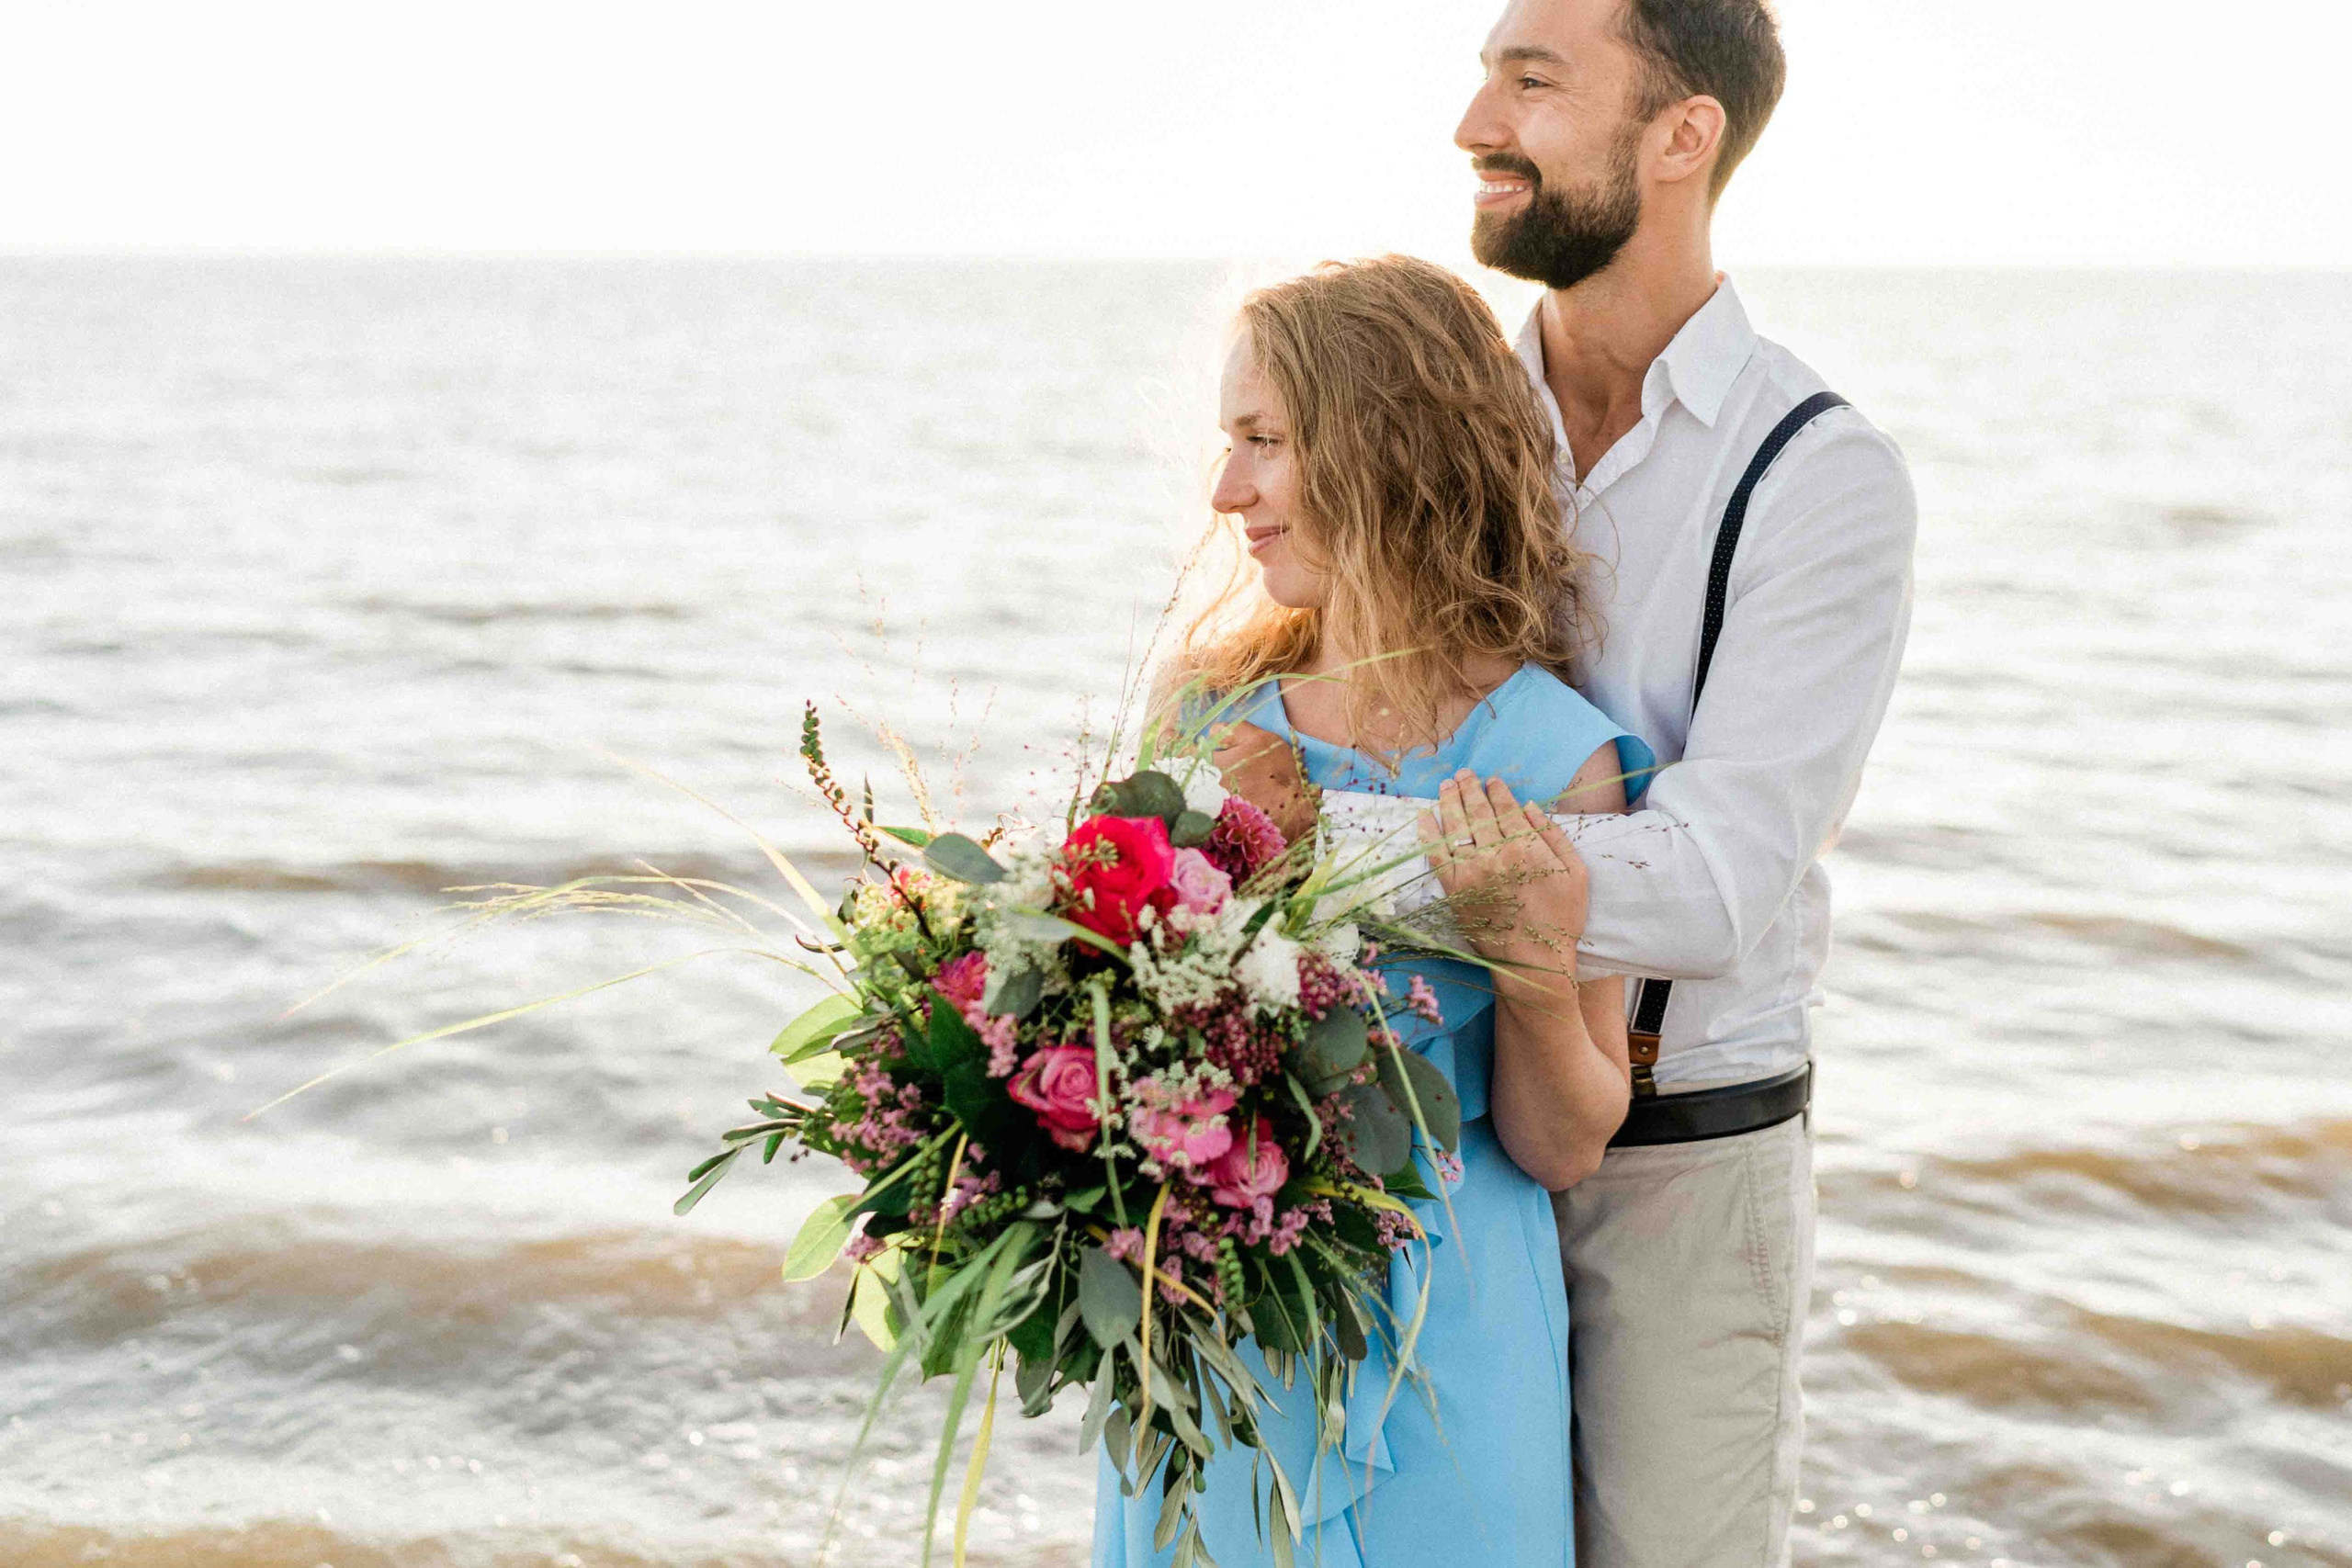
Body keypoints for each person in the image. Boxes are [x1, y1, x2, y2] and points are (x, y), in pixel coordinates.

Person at [1215, 3, 1919, 1565]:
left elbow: (1721, 884)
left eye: (1533, 82)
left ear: (1685, 136)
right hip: (1423, 1162)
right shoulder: (1439, 417)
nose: (1476, 123)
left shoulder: (1817, 475)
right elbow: (1320, 671)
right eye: (1483, 75)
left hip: (1678, 1159)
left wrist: (1308, 841)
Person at [1096, 255, 1656, 1568]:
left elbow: (1567, 1145)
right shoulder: (1204, 713)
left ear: (1380, 452)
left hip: (1452, 1329)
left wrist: (1525, 962)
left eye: (1262, 443)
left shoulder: (1552, 755)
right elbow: (1119, 1030)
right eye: (1227, 442)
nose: (1226, 489)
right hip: (1220, 1306)